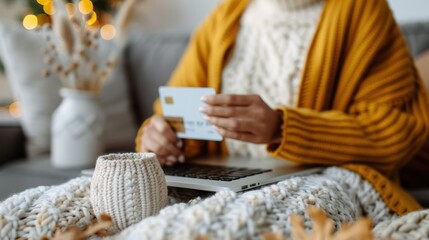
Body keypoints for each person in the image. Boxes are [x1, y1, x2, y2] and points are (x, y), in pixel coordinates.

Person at [136, 0, 429, 222]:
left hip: (329, 178)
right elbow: (174, 114)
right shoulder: (227, 15)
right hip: (220, 179)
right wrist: (159, 138)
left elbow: (397, 129)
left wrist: (281, 128)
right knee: (118, 197)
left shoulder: (362, 10)